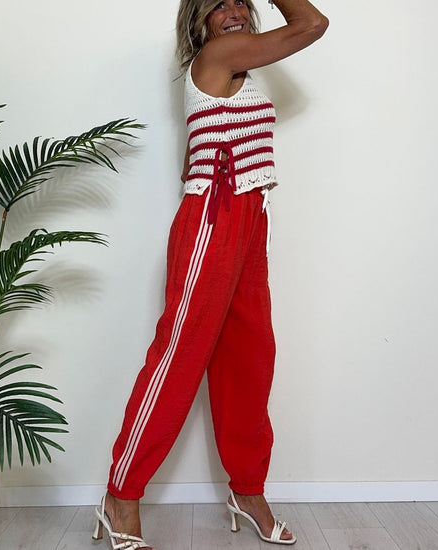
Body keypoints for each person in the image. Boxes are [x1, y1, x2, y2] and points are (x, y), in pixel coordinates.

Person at [93, 0, 328, 548]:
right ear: (198, 22)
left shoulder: (239, 69)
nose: (233, 10)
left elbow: (193, 154)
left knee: (250, 361)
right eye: (217, 4)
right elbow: (313, 24)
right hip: (214, 218)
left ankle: (247, 491)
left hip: (249, 216)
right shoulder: (219, 54)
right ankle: (120, 496)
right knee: (178, 359)